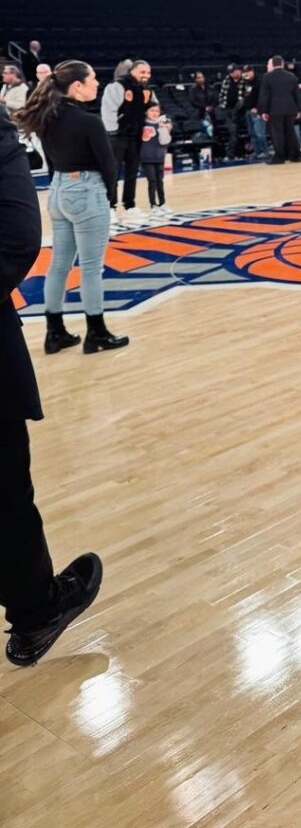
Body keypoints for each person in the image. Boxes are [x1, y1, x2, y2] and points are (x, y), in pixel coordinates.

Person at [0, 103, 103, 666]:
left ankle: (66, 328)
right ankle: (36, 614)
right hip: (80, 194)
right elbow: (15, 240)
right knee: (5, 493)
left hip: (65, 193)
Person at [15, 61, 129, 353]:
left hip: (58, 190)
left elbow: (53, 162)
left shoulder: (46, 117)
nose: (96, 84)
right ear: (76, 86)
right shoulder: (88, 121)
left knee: (59, 265)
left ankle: (55, 333)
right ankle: (97, 333)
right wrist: (110, 197)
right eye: (92, 79)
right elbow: (108, 164)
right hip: (86, 190)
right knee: (91, 268)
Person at [100, 58, 157, 225]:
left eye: (148, 73)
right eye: (142, 72)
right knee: (113, 172)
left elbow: (154, 109)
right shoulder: (117, 86)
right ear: (132, 71)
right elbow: (108, 110)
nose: (146, 75)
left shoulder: (147, 90)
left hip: (136, 136)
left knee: (132, 172)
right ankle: (109, 207)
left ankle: (130, 205)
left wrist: (157, 123)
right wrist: (113, 131)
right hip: (117, 136)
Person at [258, 55, 301, 164]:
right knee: (290, 132)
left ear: (273, 64)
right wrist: (298, 109)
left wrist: (263, 110)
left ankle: (280, 156)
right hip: (290, 108)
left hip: (275, 109)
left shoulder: (267, 77)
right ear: (282, 64)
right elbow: (297, 94)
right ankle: (295, 156)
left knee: (278, 133)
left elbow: (264, 95)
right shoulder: (291, 76)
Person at [140, 100, 173, 219]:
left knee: (160, 181)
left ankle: (162, 203)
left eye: (157, 111)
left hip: (159, 157)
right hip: (146, 157)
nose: (154, 113)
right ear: (146, 112)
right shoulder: (142, 125)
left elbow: (165, 141)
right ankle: (153, 205)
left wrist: (163, 128)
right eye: (152, 110)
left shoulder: (162, 124)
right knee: (152, 181)